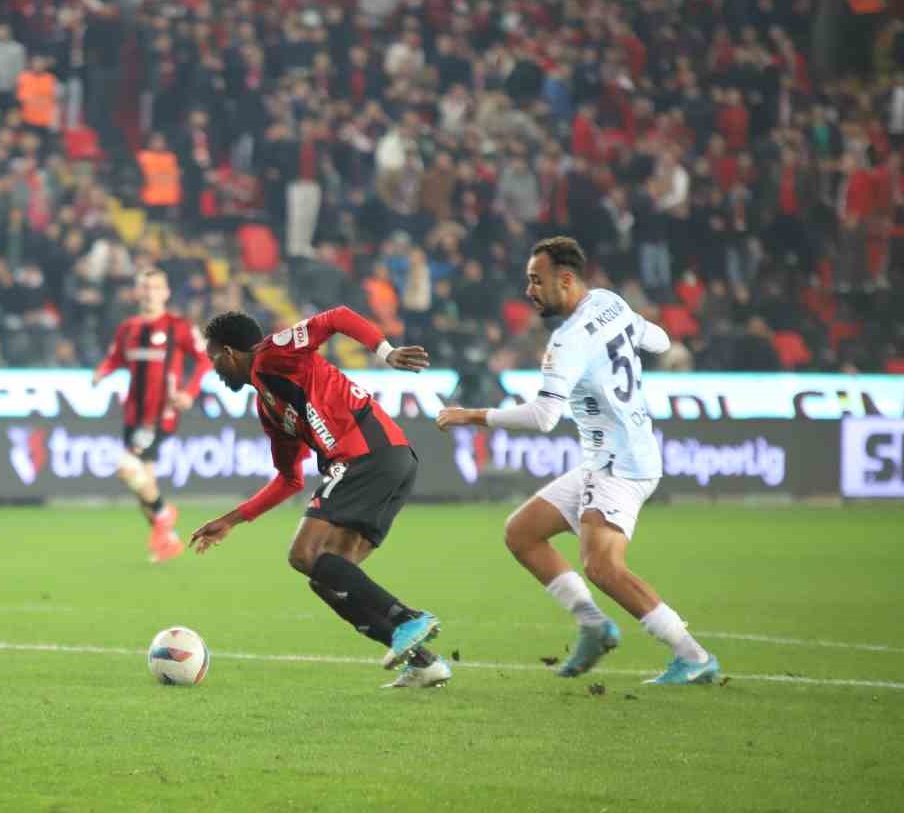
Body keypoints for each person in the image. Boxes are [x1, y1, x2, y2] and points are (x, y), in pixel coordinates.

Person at [435, 236, 721, 685]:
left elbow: (545, 417)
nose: (529, 290)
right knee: (522, 533)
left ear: (565, 280)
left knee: (603, 567)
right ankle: (592, 623)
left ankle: (694, 655)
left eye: (536, 280)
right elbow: (660, 339)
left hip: (618, 464)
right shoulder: (609, 302)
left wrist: (472, 415)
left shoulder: (566, 342)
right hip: (617, 455)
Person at [189, 306, 448, 688]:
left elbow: (337, 317)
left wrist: (385, 351)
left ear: (229, 353)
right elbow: (289, 479)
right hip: (388, 462)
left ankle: (407, 619)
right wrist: (231, 520)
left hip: (367, 453)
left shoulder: (273, 354)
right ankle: (424, 662)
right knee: (328, 577)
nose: (214, 368)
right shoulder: (269, 406)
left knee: (303, 554)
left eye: (213, 358)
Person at [91, 268, 212, 562]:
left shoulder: (178, 326)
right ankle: (167, 540)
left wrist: (189, 392)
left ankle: (164, 514)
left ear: (166, 292)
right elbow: (115, 358)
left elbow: (204, 359)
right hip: (133, 413)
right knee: (144, 483)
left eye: (155, 287)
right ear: (137, 292)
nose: (149, 292)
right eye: (144, 287)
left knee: (127, 468)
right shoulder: (129, 327)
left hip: (161, 414)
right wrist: (102, 372)